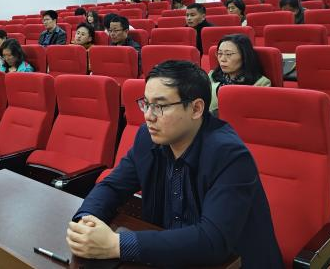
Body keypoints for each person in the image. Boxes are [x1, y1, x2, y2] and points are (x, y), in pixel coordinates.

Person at [67, 60, 283, 268]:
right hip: (168, 255)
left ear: (196, 109)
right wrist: (87, 221)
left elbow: (212, 240)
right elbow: (112, 186)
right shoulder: (147, 138)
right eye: (146, 104)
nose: (148, 116)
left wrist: (117, 245)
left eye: (160, 106)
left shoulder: (230, 156)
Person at [208, 35, 271, 114]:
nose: (222, 59)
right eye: (219, 53)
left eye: (228, 54)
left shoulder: (261, 83)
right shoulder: (211, 76)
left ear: (244, 56)